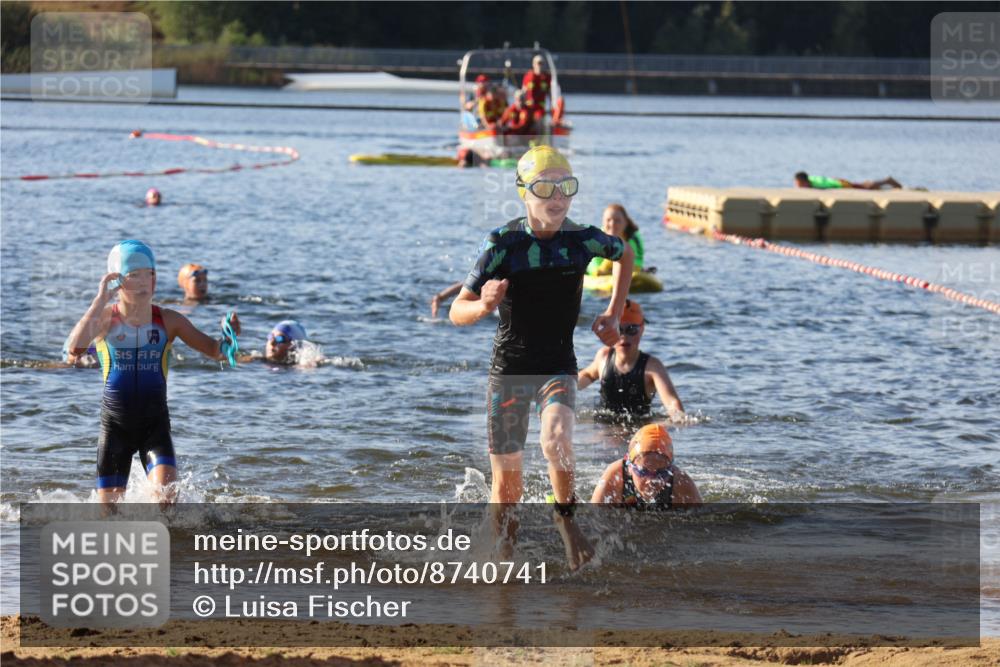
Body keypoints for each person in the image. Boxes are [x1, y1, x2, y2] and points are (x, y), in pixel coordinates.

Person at [450, 145, 634, 570]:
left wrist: (614, 310)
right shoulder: (503, 243)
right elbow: (458, 310)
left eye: (565, 186)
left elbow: (623, 253)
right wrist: (483, 306)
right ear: (522, 192)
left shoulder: (582, 239)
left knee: (555, 439)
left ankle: (565, 519)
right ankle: (504, 566)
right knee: (507, 484)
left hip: (557, 365)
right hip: (510, 368)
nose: (556, 196)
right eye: (544, 186)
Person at [65, 240, 240, 506]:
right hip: (115, 428)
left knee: (166, 502)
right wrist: (100, 299)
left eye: (150, 274)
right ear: (117, 280)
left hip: (154, 426)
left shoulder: (170, 320)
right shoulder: (103, 319)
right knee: (108, 518)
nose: (144, 281)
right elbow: (75, 349)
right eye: (134, 275)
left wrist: (230, 335)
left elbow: (215, 351)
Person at [578, 299, 684, 422]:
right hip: (604, 428)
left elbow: (672, 402)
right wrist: (561, 388)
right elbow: (585, 376)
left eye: (632, 329)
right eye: (618, 330)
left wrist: (679, 418)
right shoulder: (603, 357)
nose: (624, 337)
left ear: (642, 329)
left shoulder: (652, 367)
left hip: (638, 429)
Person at [591, 423, 701, 508]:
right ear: (629, 467)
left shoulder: (682, 485)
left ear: (671, 469)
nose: (651, 480)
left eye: (662, 472)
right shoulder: (613, 478)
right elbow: (592, 520)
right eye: (643, 472)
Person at [587, 204, 645, 277]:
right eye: (608, 220)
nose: (612, 224)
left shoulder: (634, 237)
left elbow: (638, 262)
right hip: (603, 270)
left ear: (625, 223)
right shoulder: (597, 239)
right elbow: (594, 267)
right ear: (603, 222)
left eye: (617, 220)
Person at [521, 54, 551, 124]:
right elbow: (523, 92)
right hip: (528, 107)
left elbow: (550, 94)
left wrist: (552, 108)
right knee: (523, 118)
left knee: (539, 120)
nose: (540, 65)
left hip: (539, 108)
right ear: (533, 64)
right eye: (538, 63)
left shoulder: (547, 78)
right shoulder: (528, 76)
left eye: (542, 63)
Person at [794, 171, 902, 190]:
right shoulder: (810, 179)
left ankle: (887, 181)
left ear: (804, 182)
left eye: (798, 183)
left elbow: (830, 185)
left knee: (865, 188)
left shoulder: (817, 185)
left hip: (840, 184)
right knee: (862, 185)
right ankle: (882, 184)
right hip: (837, 180)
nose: (796, 185)